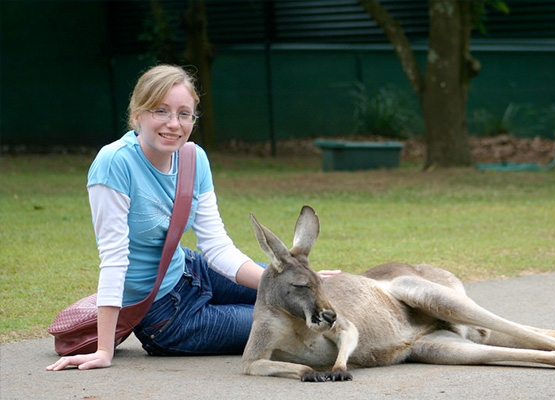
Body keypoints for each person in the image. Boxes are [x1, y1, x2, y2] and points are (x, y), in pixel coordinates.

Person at [47, 65, 338, 371]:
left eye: (184, 114)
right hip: (166, 317)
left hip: (194, 269)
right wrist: (104, 351)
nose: (174, 124)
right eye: (161, 111)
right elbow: (114, 259)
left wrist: (298, 281)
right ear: (137, 115)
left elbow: (216, 247)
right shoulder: (114, 164)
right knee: (285, 325)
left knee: (309, 298)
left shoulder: (193, 158)